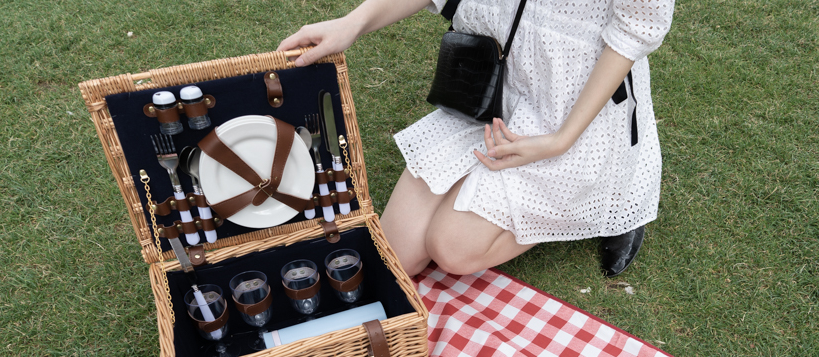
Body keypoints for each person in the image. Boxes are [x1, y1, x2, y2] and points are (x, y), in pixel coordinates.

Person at [279, 0, 675, 278]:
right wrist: (354, 22)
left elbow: (634, 31)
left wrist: (560, 140)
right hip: (494, 88)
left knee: (450, 247)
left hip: (572, 103)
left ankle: (615, 201)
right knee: (396, 250)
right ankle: (488, 191)